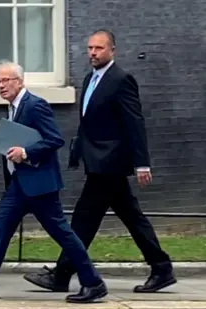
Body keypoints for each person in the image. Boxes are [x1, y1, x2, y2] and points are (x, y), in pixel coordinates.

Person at [23, 30, 177, 293]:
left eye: (99, 48)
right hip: (97, 161)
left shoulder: (121, 79)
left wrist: (142, 163)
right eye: (90, 48)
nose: (93, 53)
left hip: (110, 163)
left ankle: (62, 274)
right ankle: (161, 268)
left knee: (84, 219)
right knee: (130, 216)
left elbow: (134, 123)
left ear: (112, 50)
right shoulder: (90, 78)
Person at [0, 60, 108, 303]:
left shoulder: (35, 105)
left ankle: (93, 282)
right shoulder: (13, 107)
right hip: (19, 184)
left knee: (63, 234)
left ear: (20, 81)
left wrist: (25, 153)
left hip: (39, 185)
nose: (1, 86)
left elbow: (54, 140)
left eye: (5, 80)